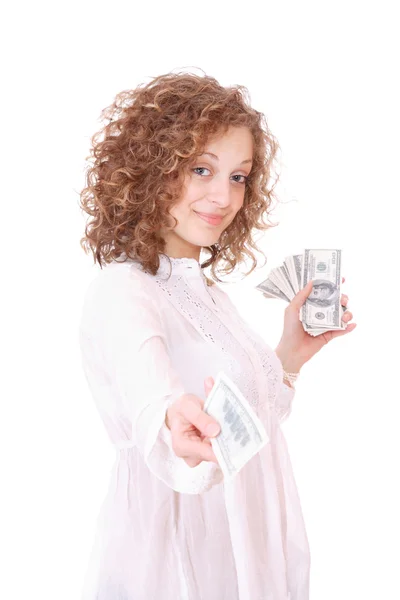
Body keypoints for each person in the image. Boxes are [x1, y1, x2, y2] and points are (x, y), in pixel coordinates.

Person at [78, 70, 356, 600]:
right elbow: (149, 388)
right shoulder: (122, 290)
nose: (222, 196)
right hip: (177, 555)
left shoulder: (213, 298)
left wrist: (290, 354)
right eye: (201, 169)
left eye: (238, 176)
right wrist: (170, 416)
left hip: (244, 548)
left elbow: (251, 423)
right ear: (151, 170)